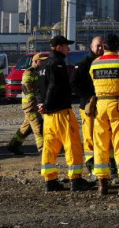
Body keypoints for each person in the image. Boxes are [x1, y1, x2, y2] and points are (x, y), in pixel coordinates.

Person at [36, 36, 91, 192]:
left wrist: (42, 104)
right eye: (66, 46)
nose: (68, 49)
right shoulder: (58, 63)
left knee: (49, 148)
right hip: (61, 112)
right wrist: (47, 104)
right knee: (72, 145)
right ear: (59, 47)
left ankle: (50, 180)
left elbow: (38, 88)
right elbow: (54, 85)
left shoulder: (43, 65)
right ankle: (76, 179)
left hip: (48, 116)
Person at [90, 33, 119, 196]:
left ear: (104, 47)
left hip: (100, 106)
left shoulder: (95, 63)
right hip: (118, 105)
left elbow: (93, 81)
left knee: (100, 143)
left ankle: (102, 183)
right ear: (118, 46)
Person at [71, 35, 105, 172]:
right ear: (91, 47)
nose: (100, 48)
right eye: (98, 46)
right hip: (88, 106)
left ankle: (106, 164)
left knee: (104, 135)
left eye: (102, 45)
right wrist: (88, 97)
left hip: (104, 105)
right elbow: (73, 84)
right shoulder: (83, 63)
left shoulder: (106, 62)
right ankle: (91, 165)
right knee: (89, 136)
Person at [7, 52, 47, 155]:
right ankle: (42, 149)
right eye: (41, 61)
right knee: (38, 125)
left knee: (26, 127)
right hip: (30, 106)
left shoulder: (36, 72)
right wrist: (33, 102)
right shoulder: (28, 73)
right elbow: (26, 89)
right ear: (35, 61)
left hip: (33, 105)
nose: (43, 63)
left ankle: (13, 145)